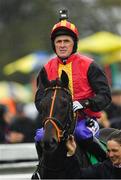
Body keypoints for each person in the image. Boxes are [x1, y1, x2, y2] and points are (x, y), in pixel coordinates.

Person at [35, 10, 111, 157]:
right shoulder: (45, 69)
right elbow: (39, 99)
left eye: (66, 41)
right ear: (54, 44)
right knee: (39, 136)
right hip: (56, 123)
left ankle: (107, 163)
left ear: (74, 44)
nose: (62, 45)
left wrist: (85, 103)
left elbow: (105, 95)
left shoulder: (90, 65)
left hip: (85, 120)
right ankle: (40, 171)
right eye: (58, 41)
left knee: (81, 134)